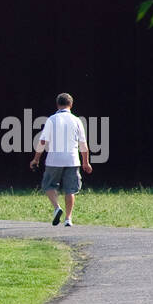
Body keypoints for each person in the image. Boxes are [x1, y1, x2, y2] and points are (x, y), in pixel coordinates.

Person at [29, 92, 93, 227]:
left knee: (48, 185)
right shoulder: (77, 120)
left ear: (57, 104)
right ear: (71, 104)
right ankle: (68, 219)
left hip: (54, 160)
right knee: (70, 189)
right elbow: (83, 144)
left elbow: (42, 141)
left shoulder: (51, 120)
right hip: (72, 159)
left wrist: (36, 159)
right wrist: (86, 162)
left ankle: (57, 207)